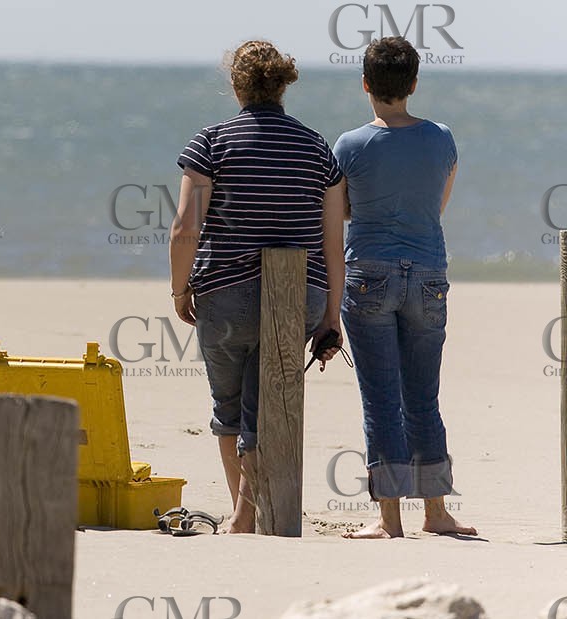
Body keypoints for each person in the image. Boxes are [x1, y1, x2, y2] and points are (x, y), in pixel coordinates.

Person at [169, 39, 345, 533]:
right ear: (284, 85)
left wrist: (180, 290)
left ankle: (244, 513)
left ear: (236, 85)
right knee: (265, 404)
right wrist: (331, 316)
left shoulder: (210, 142)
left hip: (225, 291)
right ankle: (246, 512)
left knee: (229, 407)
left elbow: (185, 229)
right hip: (301, 295)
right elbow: (334, 246)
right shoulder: (317, 149)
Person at [333, 36, 474, 538]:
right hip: (428, 271)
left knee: (380, 398)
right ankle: (436, 511)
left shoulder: (349, 144)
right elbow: (436, 204)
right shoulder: (441, 137)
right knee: (423, 395)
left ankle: (388, 517)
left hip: (368, 270)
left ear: (366, 84)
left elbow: (342, 209)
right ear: (414, 84)